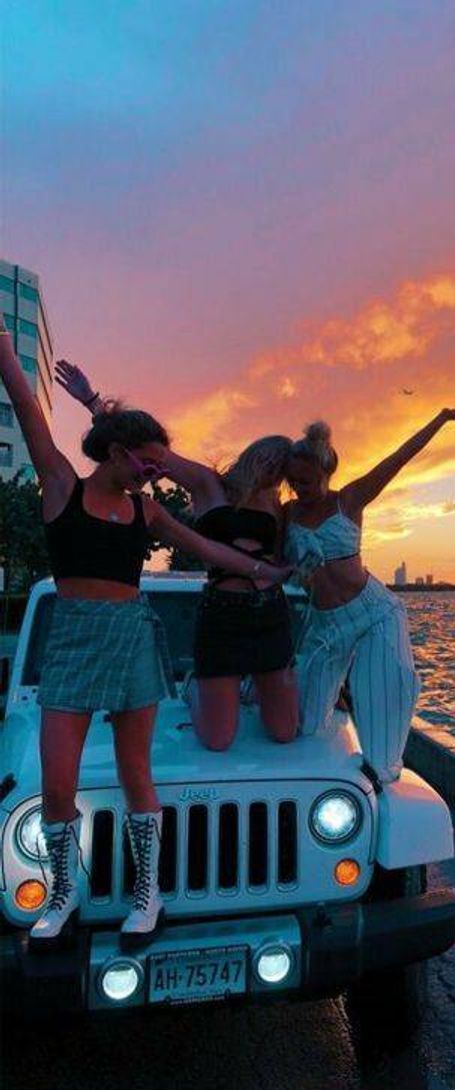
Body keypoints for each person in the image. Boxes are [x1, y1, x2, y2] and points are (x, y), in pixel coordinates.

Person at [0, 334, 290, 946]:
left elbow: (205, 548)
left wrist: (264, 572)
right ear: (116, 452)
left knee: (137, 770)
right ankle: (61, 890)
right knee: (57, 780)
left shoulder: (146, 512)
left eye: (161, 465)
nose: (156, 473)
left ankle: (148, 892)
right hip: (74, 641)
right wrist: (4, 344)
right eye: (148, 462)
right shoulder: (61, 485)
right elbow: (27, 410)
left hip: (132, 636)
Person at [55, 361, 297, 751]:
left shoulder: (279, 506)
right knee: (218, 741)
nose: (274, 471)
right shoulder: (209, 485)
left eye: (282, 468)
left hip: (271, 612)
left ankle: (251, 681)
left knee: (284, 732)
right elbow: (147, 454)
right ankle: (196, 689)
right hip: (223, 612)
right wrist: (92, 401)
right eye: (269, 460)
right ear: (253, 455)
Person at [284, 408, 455, 782]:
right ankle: (337, 714)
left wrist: (440, 419)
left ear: (325, 473)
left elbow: (400, 458)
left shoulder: (349, 500)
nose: (299, 489)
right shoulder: (286, 514)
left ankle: (381, 791)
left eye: (306, 482)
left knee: (386, 723)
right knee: (304, 725)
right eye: (293, 482)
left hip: (374, 613)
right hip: (326, 626)